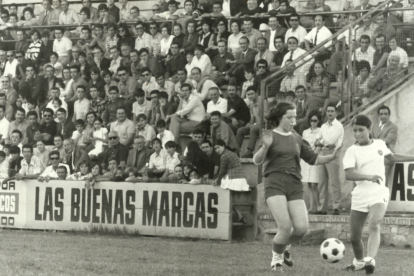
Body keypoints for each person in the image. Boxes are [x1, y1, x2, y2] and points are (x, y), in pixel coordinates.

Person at [252, 101, 341, 272]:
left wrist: (331, 157)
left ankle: (284, 247)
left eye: (295, 117)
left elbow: (313, 159)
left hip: (294, 183)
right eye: (289, 117)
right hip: (274, 182)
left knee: (301, 229)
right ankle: (276, 261)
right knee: (284, 227)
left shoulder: (297, 139)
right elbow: (257, 160)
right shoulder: (269, 135)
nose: (293, 121)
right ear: (280, 118)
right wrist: (265, 147)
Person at [343, 114, 414, 274]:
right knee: (354, 238)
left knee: (374, 223)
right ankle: (359, 262)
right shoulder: (351, 151)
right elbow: (349, 174)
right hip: (360, 195)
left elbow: (393, 157)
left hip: (378, 192)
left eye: (361, 130)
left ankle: (370, 260)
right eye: (355, 131)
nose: (358, 134)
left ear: (369, 129)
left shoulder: (380, 144)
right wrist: (369, 177)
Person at [314, 104, 344, 215]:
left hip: (333, 153)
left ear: (336, 113)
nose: (330, 113)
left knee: (334, 182)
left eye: (332, 111)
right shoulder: (323, 126)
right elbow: (317, 139)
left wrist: (320, 142)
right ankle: (322, 208)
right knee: (322, 182)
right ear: (326, 113)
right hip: (322, 153)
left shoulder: (338, 126)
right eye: (328, 111)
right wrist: (321, 142)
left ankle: (337, 207)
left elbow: (330, 141)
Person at [300, 110, 322, 214]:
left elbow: (319, 147)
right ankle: (311, 206)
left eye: (315, 121)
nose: (313, 122)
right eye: (311, 120)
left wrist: (313, 155)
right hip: (306, 160)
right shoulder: (305, 132)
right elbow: (303, 145)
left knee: (314, 184)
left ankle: (318, 205)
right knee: (308, 183)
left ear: (318, 121)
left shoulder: (321, 131)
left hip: (314, 159)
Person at [236, 87, 267, 158]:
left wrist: (254, 124)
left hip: (265, 125)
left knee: (253, 129)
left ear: (256, 93)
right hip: (256, 125)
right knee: (240, 130)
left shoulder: (263, 101)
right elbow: (252, 118)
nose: (250, 96)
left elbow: (265, 118)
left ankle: (249, 152)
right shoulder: (251, 104)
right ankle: (236, 152)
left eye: (252, 94)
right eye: (248, 94)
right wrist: (249, 124)